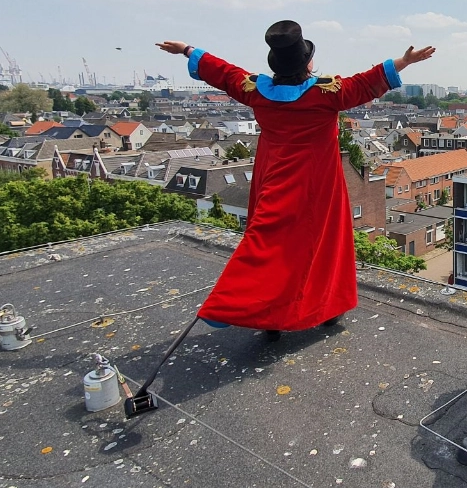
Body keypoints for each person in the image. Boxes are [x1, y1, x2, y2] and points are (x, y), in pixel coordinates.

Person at [156, 22, 435, 336]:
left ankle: (262, 310)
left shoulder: (256, 90)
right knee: (324, 243)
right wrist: (405, 61)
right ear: (308, 63)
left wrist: (187, 50)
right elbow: (367, 82)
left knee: (269, 243)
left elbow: (222, 72)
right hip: (319, 181)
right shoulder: (327, 94)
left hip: (274, 176)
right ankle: (328, 307)